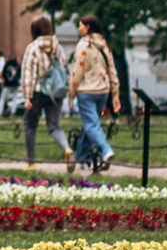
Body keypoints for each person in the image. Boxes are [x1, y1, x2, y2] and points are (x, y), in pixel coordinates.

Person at [67, 15, 120, 173]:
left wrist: (71, 93)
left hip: (86, 91)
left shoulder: (83, 45)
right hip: (103, 90)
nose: (78, 28)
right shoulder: (104, 45)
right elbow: (112, 71)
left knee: (91, 125)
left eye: (81, 25)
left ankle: (106, 151)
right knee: (89, 125)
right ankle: (82, 158)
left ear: (88, 27)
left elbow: (77, 72)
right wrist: (115, 94)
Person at [20, 13, 75, 164]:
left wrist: (27, 96)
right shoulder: (59, 48)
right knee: (54, 126)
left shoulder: (32, 48)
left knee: (30, 125)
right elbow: (64, 70)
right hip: (56, 92)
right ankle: (66, 148)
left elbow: (28, 74)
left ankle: (31, 162)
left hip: (37, 92)